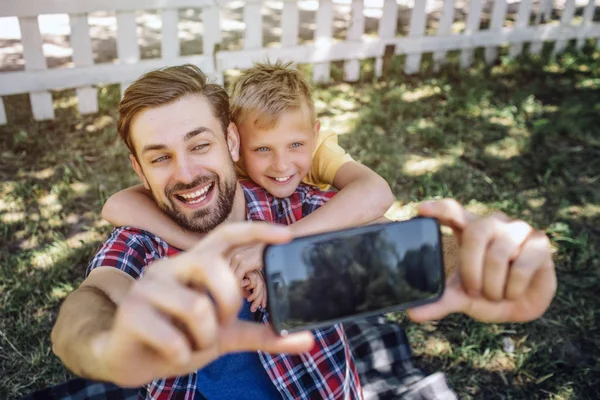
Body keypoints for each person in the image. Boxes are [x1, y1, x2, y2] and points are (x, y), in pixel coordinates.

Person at [49, 65, 556, 400]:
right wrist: (103, 346)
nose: (184, 174)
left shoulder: (300, 210)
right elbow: (90, 303)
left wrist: (480, 261)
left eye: (199, 145)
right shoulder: (141, 241)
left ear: (230, 140)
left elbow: (400, 246)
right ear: (140, 171)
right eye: (161, 158)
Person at [100, 61, 396, 311]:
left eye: (295, 145)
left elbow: (376, 195)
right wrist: (216, 249)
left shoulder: (317, 155)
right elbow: (116, 205)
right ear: (237, 141)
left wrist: (274, 246)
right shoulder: (234, 163)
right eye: (262, 150)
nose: (281, 165)